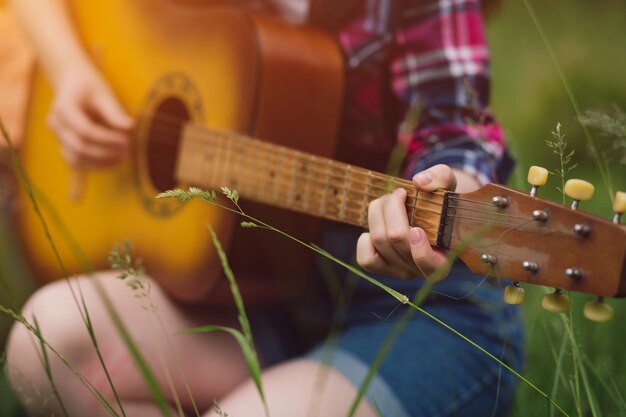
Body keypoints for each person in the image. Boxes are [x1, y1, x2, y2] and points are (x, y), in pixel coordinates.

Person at [6, 0, 524, 416]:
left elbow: (457, 124)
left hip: (413, 313)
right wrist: (69, 68)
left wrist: (450, 192)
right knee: (48, 345)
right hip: (246, 298)